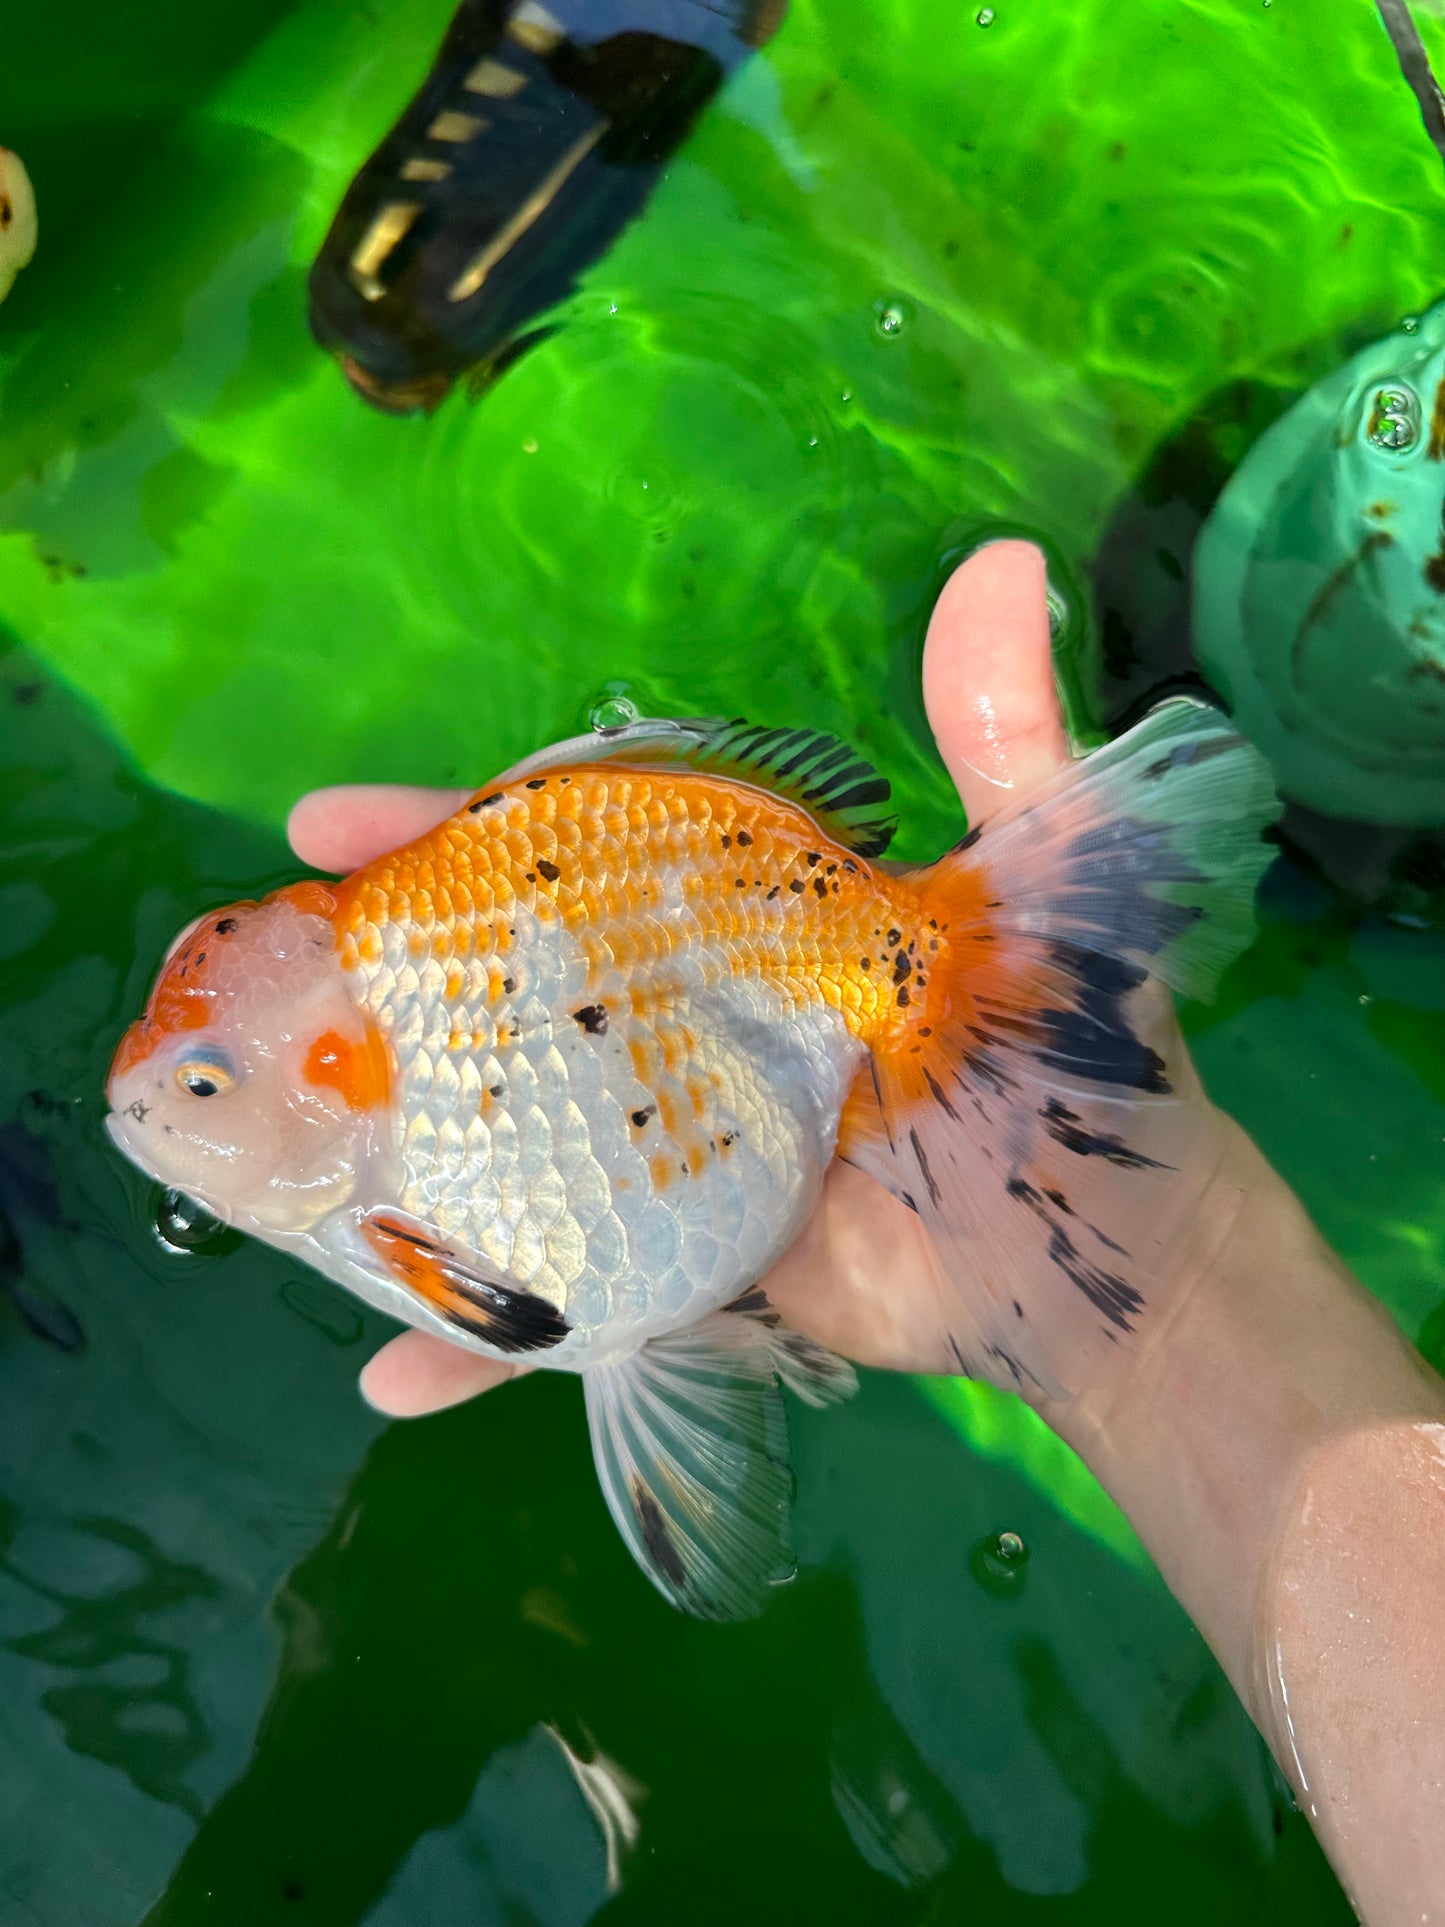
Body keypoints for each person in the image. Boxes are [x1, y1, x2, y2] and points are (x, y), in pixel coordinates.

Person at [289, 541, 1445, 1924]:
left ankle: (982, 947)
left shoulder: (385, 1155)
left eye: (196, 1092)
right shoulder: (378, 1145)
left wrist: (1158, 1295)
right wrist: (1161, 1314)